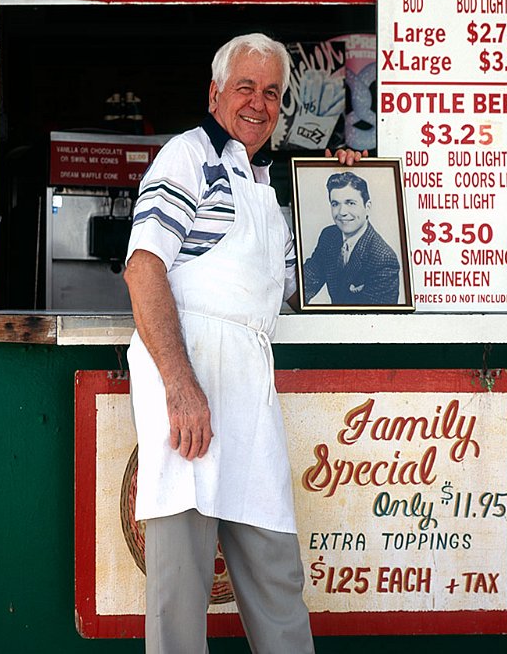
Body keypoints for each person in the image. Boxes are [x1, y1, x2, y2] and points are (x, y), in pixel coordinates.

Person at [123, 32, 363, 654]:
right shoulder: (187, 156)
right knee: (181, 592)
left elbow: (307, 284)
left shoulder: (266, 190)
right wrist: (181, 386)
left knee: (277, 578)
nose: (259, 103)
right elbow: (144, 267)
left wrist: (340, 185)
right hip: (190, 390)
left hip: (249, 397)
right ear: (214, 94)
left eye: (272, 93)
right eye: (245, 87)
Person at [302, 171, 400, 305]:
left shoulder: (384, 259)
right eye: (335, 204)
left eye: (351, 203)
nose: (342, 212)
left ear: (367, 207)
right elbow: (305, 284)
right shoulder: (329, 236)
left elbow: (375, 317)